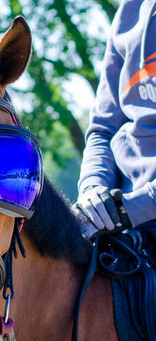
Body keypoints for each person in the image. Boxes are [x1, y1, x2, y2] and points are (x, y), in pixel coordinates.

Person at [73, 0, 156, 262]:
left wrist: (127, 209)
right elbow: (102, 129)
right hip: (119, 221)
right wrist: (92, 190)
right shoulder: (128, 11)